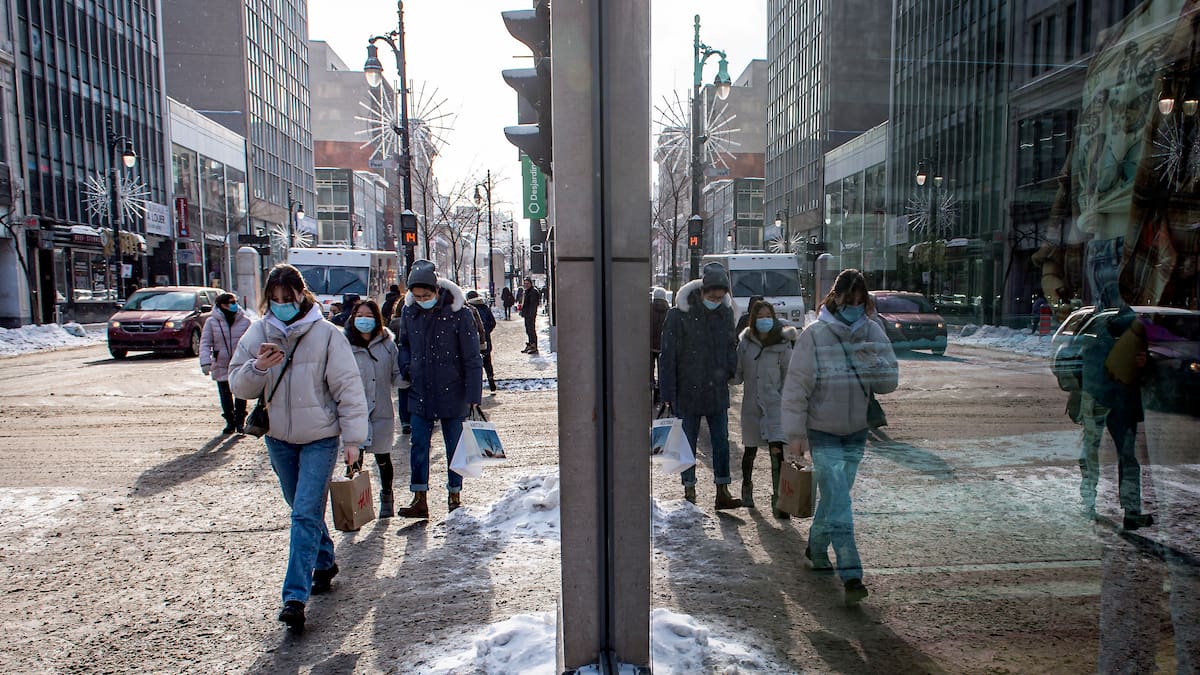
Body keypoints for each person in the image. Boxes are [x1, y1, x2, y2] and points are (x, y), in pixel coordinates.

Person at [229, 264, 368, 631]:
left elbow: (348, 389)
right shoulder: (258, 331)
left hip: (320, 438)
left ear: (301, 296)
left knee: (304, 513)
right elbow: (237, 384)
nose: (281, 306)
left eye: (287, 300)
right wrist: (258, 367)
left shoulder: (326, 335)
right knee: (301, 509)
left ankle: (294, 595)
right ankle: (323, 560)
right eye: (274, 301)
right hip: (279, 439)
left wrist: (353, 441)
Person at [781, 268, 898, 606]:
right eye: (850, 302)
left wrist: (870, 363)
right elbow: (796, 389)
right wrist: (795, 435)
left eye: (861, 303)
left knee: (835, 499)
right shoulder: (815, 335)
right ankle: (851, 574)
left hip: (856, 432)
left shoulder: (872, 331)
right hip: (823, 431)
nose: (855, 309)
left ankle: (816, 547)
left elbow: (889, 383)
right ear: (835, 298)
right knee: (841, 502)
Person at [396, 259, 484, 517]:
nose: (421, 299)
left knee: (454, 446)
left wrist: (473, 396)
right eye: (416, 295)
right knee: (418, 444)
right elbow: (404, 345)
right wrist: (407, 368)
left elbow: (472, 358)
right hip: (420, 389)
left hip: (452, 390)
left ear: (436, 290)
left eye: (426, 294)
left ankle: (454, 493)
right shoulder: (409, 313)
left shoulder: (460, 313)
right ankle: (419, 497)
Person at [659, 262, 743, 510]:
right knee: (687, 442)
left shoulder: (725, 313)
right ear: (702, 291)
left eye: (721, 296)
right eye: (712, 296)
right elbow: (668, 356)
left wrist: (729, 369)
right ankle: (689, 489)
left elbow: (731, 345)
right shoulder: (678, 314)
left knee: (721, 441)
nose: (716, 300)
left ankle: (722, 490)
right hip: (688, 389)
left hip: (716, 388)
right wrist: (667, 393)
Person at [1079, 299, 1154, 530]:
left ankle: (1090, 504)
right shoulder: (1122, 328)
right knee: (1125, 457)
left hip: (1101, 400)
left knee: (1092, 453)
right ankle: (1130, 511)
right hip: (1118, 402)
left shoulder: (1096, 326)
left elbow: (1079, 362)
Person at [731, 300, 797, 516]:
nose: (765, 320)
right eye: (760, 316)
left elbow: (789, 374)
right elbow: (737, 375)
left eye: (768, 315)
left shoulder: (783, 344)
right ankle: (747, 488)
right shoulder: (745, 344)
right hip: (751, 405)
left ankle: (780, 500)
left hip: (775, 406)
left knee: (777, 453)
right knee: (750, 450)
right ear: (753, 319)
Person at [346, 299, 404, 518]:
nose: (364, 320)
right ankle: (355, 507)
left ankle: (387, 497)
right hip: (354, 412)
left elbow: (396, 376)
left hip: (380, 410)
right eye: (359, 315)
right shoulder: (344, 345)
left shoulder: (387, 344)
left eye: (369, 316)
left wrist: (412, 378)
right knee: (353, 460)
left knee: (383, 458)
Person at [198, 292, 251, 434]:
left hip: (240, 363)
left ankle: (240, 421)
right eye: (230, 303)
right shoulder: (211, 322)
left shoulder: (245, 321)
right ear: (221, 305)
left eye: (234, 302)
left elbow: (252, 342)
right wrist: (205, 362)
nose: (233, 305)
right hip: (220, 363)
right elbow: (205, 342)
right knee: (225, 394)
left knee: (240, 393)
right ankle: (230, 421)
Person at [466, 290, 498, 392]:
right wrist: (486, 332)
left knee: (475, 364)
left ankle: (477, 385)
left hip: (473, 341)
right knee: (487, 361)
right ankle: (490, 378)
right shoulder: (485, 307)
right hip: (485, 340)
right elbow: (493, 322)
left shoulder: (468, 309)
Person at [650, 287, 671, 405]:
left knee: (650, 369)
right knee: (662, 370)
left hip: (649, 346)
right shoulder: (669, 311)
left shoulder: (648, 310)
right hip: (663, 346)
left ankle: (651, 388)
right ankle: (660, 392)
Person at [519, 278, 542, 354]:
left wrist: (530, 314)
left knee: (531, 330)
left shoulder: (533, 292)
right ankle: (530, 344)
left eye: (527, 283)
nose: (526, 285)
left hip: (530, 315)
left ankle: (534, 346)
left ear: (531, 284)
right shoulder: (527, 292)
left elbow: (533, 305)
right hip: (527, 314)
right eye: (525, 283)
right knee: (528, 330)